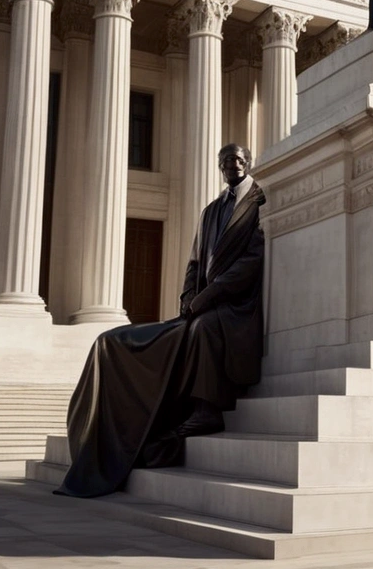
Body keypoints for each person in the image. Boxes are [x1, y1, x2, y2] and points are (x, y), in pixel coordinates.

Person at [56, 144, 265, 498]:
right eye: (228, 160)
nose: (235, 164)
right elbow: (195, 263)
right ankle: (114, 426)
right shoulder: (211, 210)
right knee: (112, 341)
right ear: (219, 166)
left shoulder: (260, 203)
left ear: (250, 162)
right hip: (202, 306)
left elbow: (250, 263)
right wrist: (188, 297)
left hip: (235, 308)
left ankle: (206, 409)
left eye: (241, 159)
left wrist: (208, 296)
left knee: (202, 329)